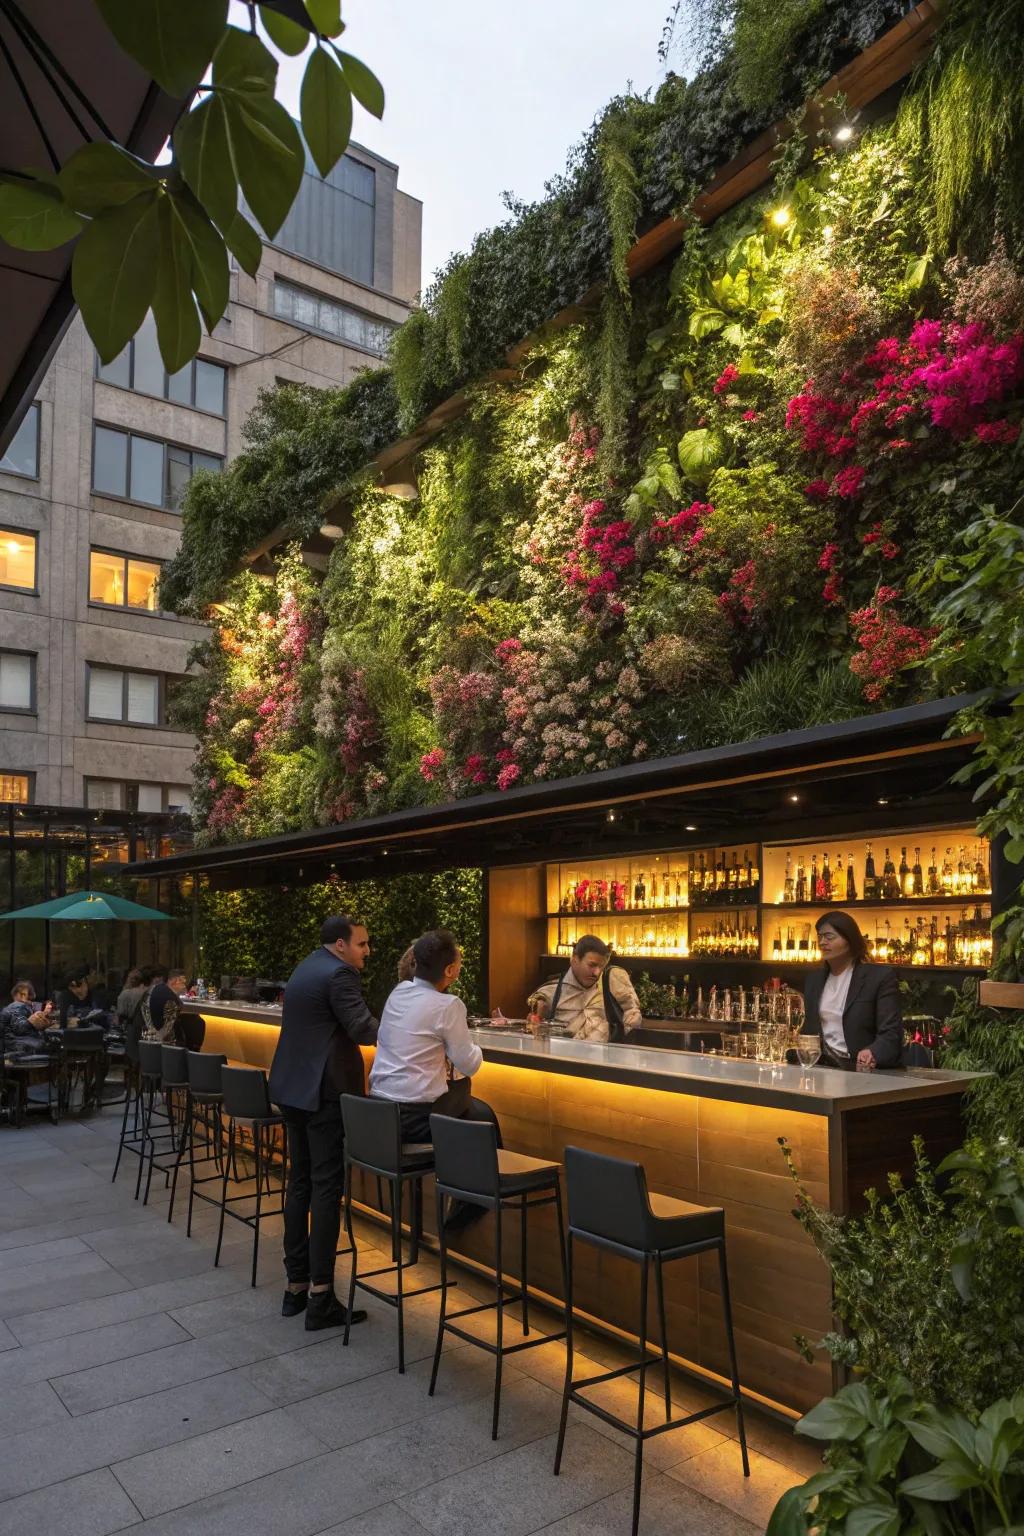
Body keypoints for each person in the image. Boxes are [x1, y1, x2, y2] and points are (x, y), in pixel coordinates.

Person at [269, 914, 378, 1331]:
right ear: (341, 945)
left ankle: (295, 1288)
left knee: (300, 1184)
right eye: (362, 944)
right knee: (326, 1190)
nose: (367, 951)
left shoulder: (307, 965)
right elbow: (363, 1029)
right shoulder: (340, 974)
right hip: (323, 1094)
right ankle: (321, 1297)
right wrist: (408, 1029)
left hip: (293, 1089)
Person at [369, 928, 500, 1230]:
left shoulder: (398, 993)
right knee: (482, 1115)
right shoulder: (448, 1005)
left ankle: (469, 1198)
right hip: (416, 1121)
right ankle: (474, 1199)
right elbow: (469, 1063)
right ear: (451, 970)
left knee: (478, 1112)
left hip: (378, 1114)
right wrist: (477, 1048)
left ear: (414, 962)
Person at [802, 910, 903, 1071]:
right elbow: (808, 1030)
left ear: (849, 940)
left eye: (829, 937)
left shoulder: (878, 978)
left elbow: (891, 1033)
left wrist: (873, 1052)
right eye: (819, 937)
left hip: (862, 1069)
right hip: (823, 1067)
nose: (822, 942)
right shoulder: (814, 980)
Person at [528, 935, 642, 1042]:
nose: (597, 973)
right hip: (564, 1054)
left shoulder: (610, 983)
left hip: (604, 1054)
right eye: (592, 965)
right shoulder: (549, 992)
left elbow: (633, 1015)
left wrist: (617, 1032)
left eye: (601, 967)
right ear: (574, 959)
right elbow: (535, 1028)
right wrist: (537, 1019)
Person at [140, 968, 201, 1046]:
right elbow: (166, 1031)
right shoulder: (172, 1000)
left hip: (144, 1039)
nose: (184, 986)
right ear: (175, 981)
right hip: (166, 1046)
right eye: (183, 983)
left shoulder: (152, 989)